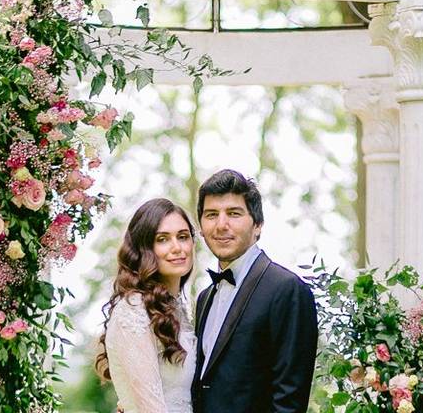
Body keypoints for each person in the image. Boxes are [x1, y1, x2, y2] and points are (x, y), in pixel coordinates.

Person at [191, 169, 318, 413]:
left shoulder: (287, 290)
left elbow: (289, 402)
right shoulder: (205, 298)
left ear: (258, 224)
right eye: (211, 215)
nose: (221, 225)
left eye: (234, 213)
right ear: (201, 226)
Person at [97, 198, 197, 413]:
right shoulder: (133, 310)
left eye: (183, 236)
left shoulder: (175, 309)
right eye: (162, 239)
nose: (177, 247)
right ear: (144, 249)